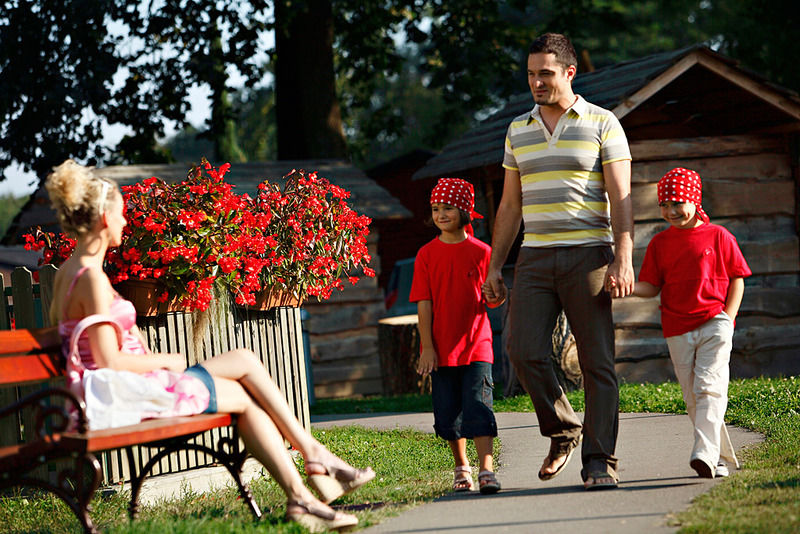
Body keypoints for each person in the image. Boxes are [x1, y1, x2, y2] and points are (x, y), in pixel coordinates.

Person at [45, 159, 374, 533]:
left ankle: (312, 464)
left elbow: (87, 340)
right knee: (241, 396)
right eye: (121, 215)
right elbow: (108, 360)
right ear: (105, 218)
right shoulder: (89, 276)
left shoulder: (73, 271)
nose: (125, 223)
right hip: (122, 393)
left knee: (244, 359)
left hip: (120, 388)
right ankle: (305, 486)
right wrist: (167, 359)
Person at [482, 33, 634, 490]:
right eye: (531, 74)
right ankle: (563, 429)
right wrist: (494, 265)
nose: (536, 82)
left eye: (545, 73)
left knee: (596, 363)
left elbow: (621, 196)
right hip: (534, 257)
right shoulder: (518, 130)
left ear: (570, 72)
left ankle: (600, 460)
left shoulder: (603, 122)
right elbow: (510, 207)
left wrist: (623, 257)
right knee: (522, 350)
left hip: (588, 255)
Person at [608, 167, 750, 478]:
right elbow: (651, 287)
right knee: (692, 396)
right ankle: (717, 459)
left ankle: (703, 453)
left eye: (677, 203)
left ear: (694, 201)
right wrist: (624, 288)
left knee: (709, 388)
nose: (671, 211)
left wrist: (728, 317)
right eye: (665, 205)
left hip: (715, 323)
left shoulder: (719, 236)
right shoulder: (660, 243)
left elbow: (738, 277)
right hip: (676, 329)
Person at [409, 178, 501, 495]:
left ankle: (487, 468)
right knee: (448, 411)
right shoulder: (426, 255)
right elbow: (424, 303)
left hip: (478, 345)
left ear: (465, 210)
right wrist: (427, 348)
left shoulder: (483, 252)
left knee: (479, 405)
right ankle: (462, 466)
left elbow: (493, 298)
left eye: (447, 207)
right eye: (436, 208)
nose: (441, 214)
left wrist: (497, 294)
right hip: (441, 349)